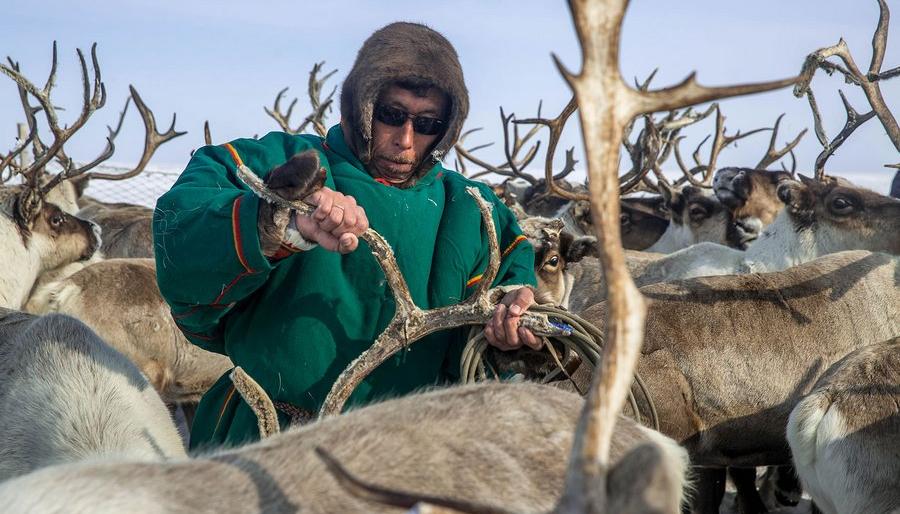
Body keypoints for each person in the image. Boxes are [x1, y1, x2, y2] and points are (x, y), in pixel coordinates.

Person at [154, 22, 540, 449]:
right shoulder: (281, 162)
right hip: (264, 439)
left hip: (413, 454)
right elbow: (180, 231)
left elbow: (509, 299)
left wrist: (511, 333)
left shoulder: (472, 210)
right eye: (392, 115)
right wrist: (276, 221)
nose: (407, 140)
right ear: (360, 105)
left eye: (428, 123)